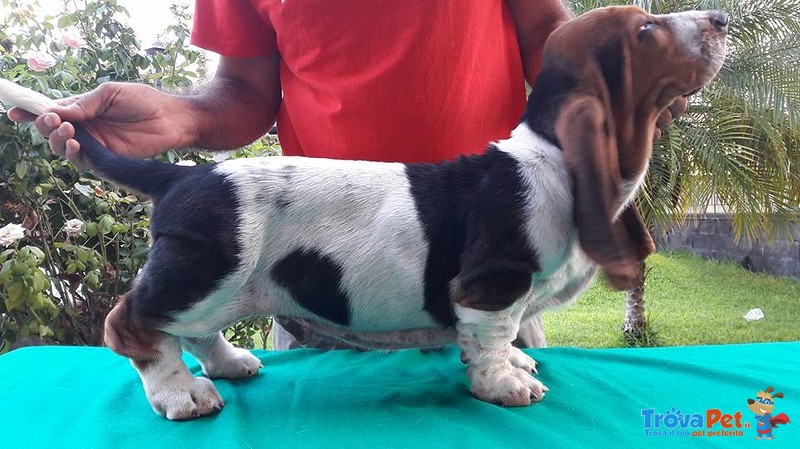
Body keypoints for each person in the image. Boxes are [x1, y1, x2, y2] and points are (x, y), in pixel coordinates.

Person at [9, 0, 682, 350]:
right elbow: (244, 92)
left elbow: (548, 35)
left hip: (496, 271)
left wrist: (629, 83)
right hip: (323, 286)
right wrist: (179, 118)